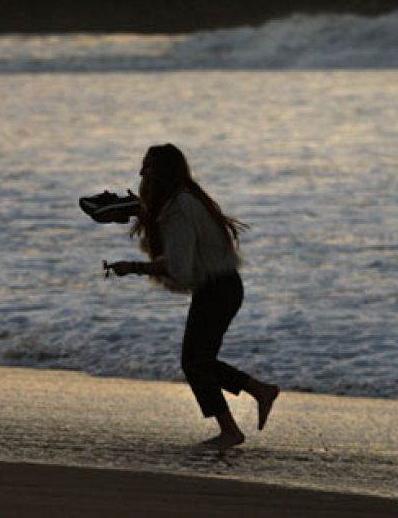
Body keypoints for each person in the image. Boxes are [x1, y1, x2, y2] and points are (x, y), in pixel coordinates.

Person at [104, 143, 279, 449]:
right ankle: (259, 391)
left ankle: (231, 430)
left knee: (194, 362)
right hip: (220, 288)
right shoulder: (178, 201)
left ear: (165, 172)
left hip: (219, 289)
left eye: (149, 166)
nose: (142, 172)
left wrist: (133, 267)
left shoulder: (179, 208)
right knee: (199, 360)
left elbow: (179, 268)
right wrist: (138, 211)